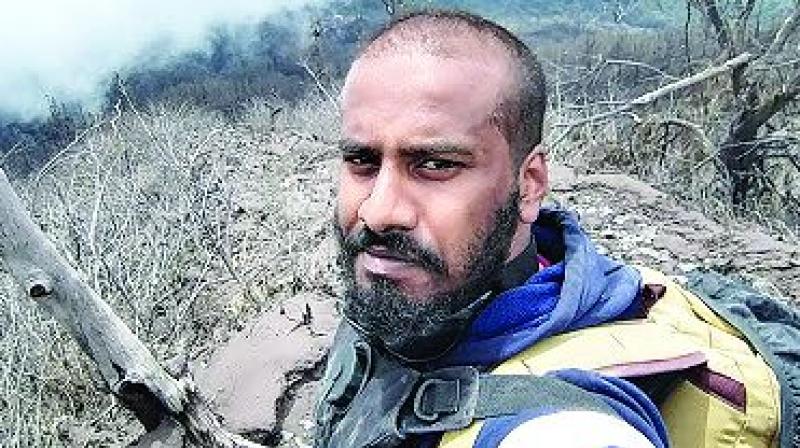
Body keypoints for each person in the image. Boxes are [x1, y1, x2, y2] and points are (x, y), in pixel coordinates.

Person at [314, 9, 780, 448]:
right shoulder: (431, 284)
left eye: (436, 165)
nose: (379, 211)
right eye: (362, 160)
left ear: (530, 184)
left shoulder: (565, 426)